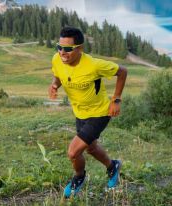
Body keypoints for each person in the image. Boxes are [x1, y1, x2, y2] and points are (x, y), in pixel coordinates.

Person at [48, 26, 127, 198]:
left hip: (100, 113)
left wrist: (116, 99)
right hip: (80, 113)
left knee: (73, 152)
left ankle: (79, 177)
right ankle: (113, 166)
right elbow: (59, 75)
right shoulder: (57, 59)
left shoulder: (93, 65)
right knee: (90, 148)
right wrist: (55, 85)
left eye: (68, 49)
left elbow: (122, 72)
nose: (62, 52)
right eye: (59, 47)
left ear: (79, 49)